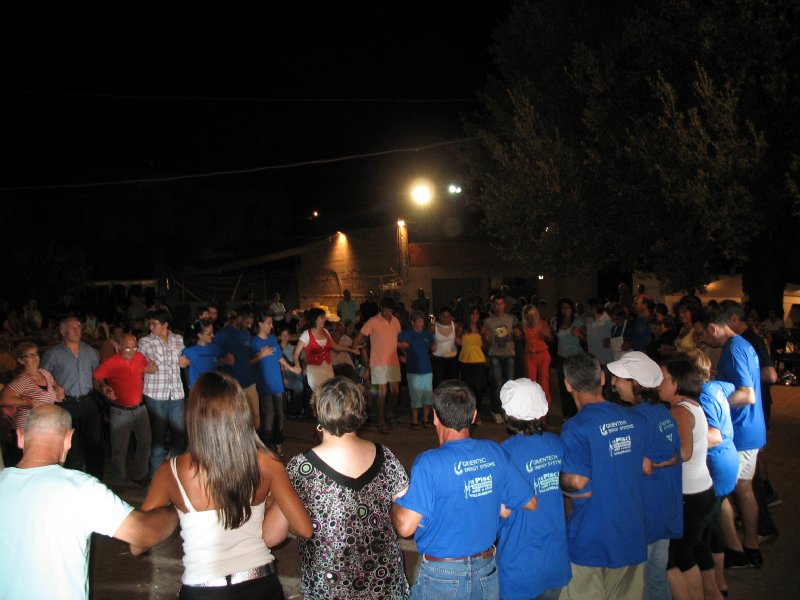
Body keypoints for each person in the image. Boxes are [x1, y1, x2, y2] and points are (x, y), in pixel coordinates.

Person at [140, 372, 312, 598]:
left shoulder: (170, 471)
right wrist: (275, 495)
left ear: (193, 415)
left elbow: (139, 541)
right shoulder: (267, 463)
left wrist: (175, 513)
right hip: (261, 584)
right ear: (242, 412)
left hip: (203, 589)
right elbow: (303, 529)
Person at [0, 405, 178, 600]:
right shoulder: (79, 488)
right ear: (69, 439)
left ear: (20, 436)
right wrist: (175, 508)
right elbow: (144, 533)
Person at [393, 380, 536, 599]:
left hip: (442, 576)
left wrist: (396, 500)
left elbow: (405, 527)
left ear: (435, 416)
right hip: (487, 571)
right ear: (474, 415)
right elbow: (524, 501)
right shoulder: (494, 451)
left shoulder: (429, 463)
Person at [559, 352, 673, 600]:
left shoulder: (575, 428)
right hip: (631, 534)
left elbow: (578, 483)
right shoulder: (634, 418)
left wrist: (562, 480)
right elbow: (657, 460)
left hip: (591, 538)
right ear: (601, 378)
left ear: (568, 384)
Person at [287, 377, 410, 598]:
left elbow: (275, 532)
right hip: (383, 583)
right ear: (360, 412)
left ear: (319, 411)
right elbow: (408, 510)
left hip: (328, 586)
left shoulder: (301, 467)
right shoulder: (386, 456)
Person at [608, 351, 682, 600]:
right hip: (663, 512)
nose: (613, 383)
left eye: (619, 378)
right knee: (657, 578)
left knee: (639, 585)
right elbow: (670, 456)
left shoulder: (634, 421)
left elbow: (639, 466)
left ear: (636, 384)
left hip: (645, 516)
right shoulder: (662, 413)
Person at [700, 305, 767, 569]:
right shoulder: (741, 345)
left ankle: (738, 549)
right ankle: (748, 546)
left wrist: (716, 401)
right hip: (748, 429)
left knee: (723, 491)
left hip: (741, 431)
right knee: (742, 489)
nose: (704, 339)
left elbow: (746, 394)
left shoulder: (735, 348)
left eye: (704, 334)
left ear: (714, 328)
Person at [497, 378, 571, 600]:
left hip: (519, 563)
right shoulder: (557, 444)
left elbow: (501, 511)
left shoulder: (503, 454)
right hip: (555, 556)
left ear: (507, 414)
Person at [658, 356, 719, 600]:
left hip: (689, 494)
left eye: (663, 379)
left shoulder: (679, 411)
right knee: (694, 550)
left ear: (677, 383)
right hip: (702, 488)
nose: (658, 384)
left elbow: (683, 451)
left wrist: (652, 462)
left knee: (680, 557)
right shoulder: (692, 405)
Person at [687, 348, 738, 597]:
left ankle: (713, 586)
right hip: (728, 461)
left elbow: (714, 436)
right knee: (714, 524)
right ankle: (721, 580)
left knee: (702, 531)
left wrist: (686, 438)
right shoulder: (718, 386)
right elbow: (735, 392)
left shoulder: (704, 395)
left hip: (715, 465)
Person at [41, 316, 104, 478]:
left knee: (95, 444)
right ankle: (73, 482)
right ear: (63, 332)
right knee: (71, 447)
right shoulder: (54, 354)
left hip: (88, 401)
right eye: (72, 328)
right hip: (67, 404)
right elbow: (43, 377)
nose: (77, 330)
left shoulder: (89, 351)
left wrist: (103, 387)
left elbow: (96, 377)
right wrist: (54, 387)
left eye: (78, 327)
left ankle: (96, 481)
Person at [92, 334, 156, 486]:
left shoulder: (140, 357)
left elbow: (146, 367)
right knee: (119, 448)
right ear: (119, 347)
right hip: (120, 411)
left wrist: (149, 368)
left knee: (145, 443)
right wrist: (104, 388)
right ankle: (118, 480)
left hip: (140, 409)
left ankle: (139, 475)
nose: (132, 351)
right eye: (128, 348)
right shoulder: (112, 362)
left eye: (134, 347)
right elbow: (97, 379)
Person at [138, 309, 190, 477]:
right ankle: (155, 477)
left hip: (176, 393)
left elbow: (185, 359)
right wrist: (144, 368)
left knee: (179, 437)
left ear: (166, 324)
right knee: (158, 438)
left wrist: (186, 362)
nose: (151, 327)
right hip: (155, 394)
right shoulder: (145, 342)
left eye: (155, 324)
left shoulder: (178, 339)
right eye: (150, 324)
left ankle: (174, 474)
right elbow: (137, 363)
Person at [0, 342, 65, 465]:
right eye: (29, 355)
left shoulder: (45, 373)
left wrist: (58, 391)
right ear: (21, 360)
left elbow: (54, 388)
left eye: (36, 354)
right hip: (26, 428)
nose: (35, 358)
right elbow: (3, 399)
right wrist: (25, 402)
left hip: (43, 426)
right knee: (28, 463)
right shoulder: (23, 380)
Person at [251, 312, 301, 456]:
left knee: (279, 415)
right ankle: (267, 445)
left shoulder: (273, 339)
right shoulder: (254, 342)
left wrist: (292, 368)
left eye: (272, 323)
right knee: (269, 415)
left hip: (277, 383)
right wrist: (261, 355)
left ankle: (278, 443)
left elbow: (279, 357)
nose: (271, 326)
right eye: (268, 323)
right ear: (260, 324)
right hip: (264, 384)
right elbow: (248, 362)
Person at [352, 298, 402, 433]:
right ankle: (381, 421)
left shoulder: (396, 321)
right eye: (386, 310)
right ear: (381, 309)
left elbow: (394, 339)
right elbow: (361, 336)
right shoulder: (373, 321)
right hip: (378, 362)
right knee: (382, 393)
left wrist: (402, 350)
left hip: (393, 361)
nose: (388, 313)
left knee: (395, 392)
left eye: (390, 310)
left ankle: (390, 413)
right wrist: (353, 348)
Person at [294, 307, 359, 395]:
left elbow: (336, 347)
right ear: (315, 319)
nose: (324, 319)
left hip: (327, 367)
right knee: (321, 394)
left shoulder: (325, 332)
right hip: (314, 370)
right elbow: (296, 353)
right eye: (322, 317)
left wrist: (351, 350)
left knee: (330, 394)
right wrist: (297, 365)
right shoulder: (306, 335)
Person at [215, 308, 260, 428]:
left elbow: (249, 355)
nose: (249, 326)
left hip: (249, 382)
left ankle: (254, 444)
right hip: (232, 384)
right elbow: (213, 358)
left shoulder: (246, 333)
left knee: (255, 417)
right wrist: (224, 360)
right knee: (234, 420)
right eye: (247, 323)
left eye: (251, 323)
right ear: (239, 318)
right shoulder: (222, 334)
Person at [482, 294, 522, 423]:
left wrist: (518, 333)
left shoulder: (512, 319)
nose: (499, 306)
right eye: (496, 304)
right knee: (498, 385)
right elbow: (485, 341)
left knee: (510, 385)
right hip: (495, 355)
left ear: (505, 305)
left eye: (501, 303)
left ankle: (507, 411)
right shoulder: (488, 321)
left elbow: (519, 334)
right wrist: (486, 338)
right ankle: (495, 410)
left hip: (509, 354)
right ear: (493, 306)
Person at [398, 310, 437, 428]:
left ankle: (425, 419)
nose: (421, 323)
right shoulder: (406, 334)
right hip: (413, 370)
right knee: (415, 396)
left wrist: (434, 346)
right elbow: (395, 344)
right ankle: (414, 420)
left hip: (427, 369)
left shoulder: (427, 334)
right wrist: (401, 352)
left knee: (428, 396)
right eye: (419, 321)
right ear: (412, 322)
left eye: (422, 321)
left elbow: (433, 345)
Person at [181, 319, 235, 389]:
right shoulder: (189, 350)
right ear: (200, 335)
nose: (212, 335)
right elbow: (181, 363)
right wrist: (183, 363)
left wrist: (226, 360)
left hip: (213, 390)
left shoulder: (215, 348)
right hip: (198, 392)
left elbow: (223, 360)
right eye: (209, 334)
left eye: (212, 332)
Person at [554, 297, 585, 419]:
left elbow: (585, 338)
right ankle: (566, 414)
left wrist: (580, 335)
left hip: (574, 359)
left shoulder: (577, 322)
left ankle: (577, 413)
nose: (566, 310)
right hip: (561, 358)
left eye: (568, 308)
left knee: (576, 387)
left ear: (572, 309)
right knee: (563, 388)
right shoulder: (557, 322)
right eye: (563, 308)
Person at [457, 306, 487, 423]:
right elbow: (456, 341)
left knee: (478, 388)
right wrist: (456, 340)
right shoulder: (462, 328)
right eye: (472, 314)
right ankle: (469, 413)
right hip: (465, 361)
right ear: (468, 315)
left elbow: (485, 345)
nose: (474, 317)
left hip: (479, 360)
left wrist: (486, 337)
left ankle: (476, 412)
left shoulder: (481, 328)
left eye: (476, 314)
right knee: (468, 389)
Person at [521, 303, 553, 406]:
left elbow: (551, 338)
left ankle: (545, 410)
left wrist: (546, 333)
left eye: (531, 315)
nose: (529, 317)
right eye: (527, 315)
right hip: (530, 356)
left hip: (543, 355)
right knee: (531, 383)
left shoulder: (542, 324)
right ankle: (533, 407)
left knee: (544, 383)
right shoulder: (523, 326)